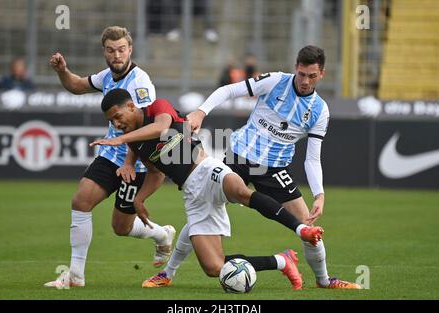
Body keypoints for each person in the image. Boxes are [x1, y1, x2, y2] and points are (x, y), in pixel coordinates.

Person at [162, 45, 361, 289]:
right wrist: (202, 112)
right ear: (295, 69)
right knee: (203, 209)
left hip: (274, 169)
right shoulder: (276, 81)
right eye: (301, 74)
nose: (305, 81)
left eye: (311, 76)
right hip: (239, 157)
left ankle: (323, 280)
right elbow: (228, 90)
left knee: (308, 227)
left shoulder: (320, 111)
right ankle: (167, 273)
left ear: (322, 75)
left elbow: (312, 158)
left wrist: (319, 193)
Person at [90, 88, 324, 290]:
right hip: (192, 193)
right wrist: (139, 199)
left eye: (117, 116)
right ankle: (281, 261)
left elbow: (162, 128)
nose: (116, 124)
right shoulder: (134, 142)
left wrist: (119, 140)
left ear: (131, 106)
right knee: (214, 267)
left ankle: (301, 229)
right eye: (111, 122)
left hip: (206, 168)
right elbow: (155, 172)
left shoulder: (156, 108)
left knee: (241, 192)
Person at [44, 26, 175, 288]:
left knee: (121, 228)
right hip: (110, 154)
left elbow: (143, 124)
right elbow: (79, 86)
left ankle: (162, 234)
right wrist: (62, 72)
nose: (117, 55)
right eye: (111, 50)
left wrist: (129, 162)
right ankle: (76, 276)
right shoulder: (107, 76)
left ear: (130, 49)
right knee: (81, 201)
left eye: (122, 49)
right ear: (104, 51)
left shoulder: (140, 83)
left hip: (136, 161)